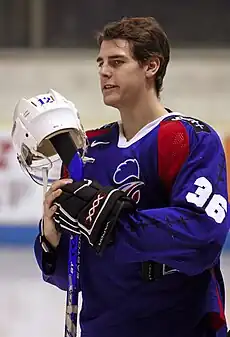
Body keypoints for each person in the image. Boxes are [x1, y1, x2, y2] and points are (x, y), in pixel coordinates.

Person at [34, 17, 229, 337]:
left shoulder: (188, 138)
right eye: (100, 63)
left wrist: (112, 226)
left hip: (181, 326)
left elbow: (201, 235)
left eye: (117, 62)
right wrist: (51, 239)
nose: (104, 71)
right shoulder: (87, 152)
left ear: (151, 66)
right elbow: (72, 276)